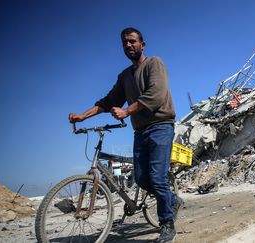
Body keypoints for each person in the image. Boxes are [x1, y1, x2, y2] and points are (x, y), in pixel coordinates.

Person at [69, 27, 182, 243]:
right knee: (141, 178)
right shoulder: (125, 76)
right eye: (124, 43)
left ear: (142, 44)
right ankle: (172, 199)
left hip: (161, 126)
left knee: (157, 178)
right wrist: (83, 116)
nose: (128, 45)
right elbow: (109, 100)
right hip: (140, 131)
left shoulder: (154, 63)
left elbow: (156, 94)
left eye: (132, 41)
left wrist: (127, 110)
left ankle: (167, 225)